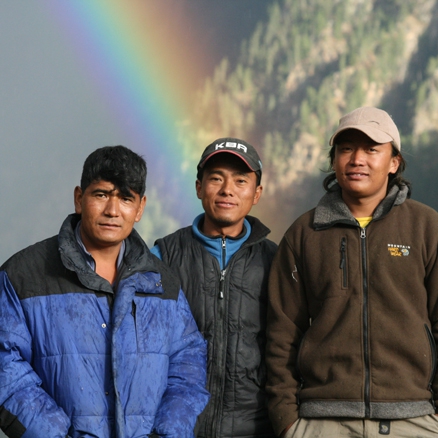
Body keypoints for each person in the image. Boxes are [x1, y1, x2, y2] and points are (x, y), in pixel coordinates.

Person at [0, 145, 209, 437]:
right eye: (101, 194)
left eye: (126, 198)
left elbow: (188, 369)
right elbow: (5, 370)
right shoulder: (23, 275)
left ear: (140, 209)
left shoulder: (163, 282)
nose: (112, 210)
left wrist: (169, 433)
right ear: (79, 199)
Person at [266, 106, 438, 438]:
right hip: (320, 420)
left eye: (371, 149)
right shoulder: (303, 234)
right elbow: (280, 334)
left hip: (415, 418)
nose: (357, 159)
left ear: (394, 162)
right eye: (346, 149)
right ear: (334, 160)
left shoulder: (426, 227)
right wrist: (286, 420)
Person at [151, 138, 277, 437]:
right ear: (198, 187)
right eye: (216, 178)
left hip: (255, 427)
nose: (227, 190)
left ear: (256, 193)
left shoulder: (276, 260)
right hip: (176, 427)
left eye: (240, 180)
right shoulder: (163, 256)